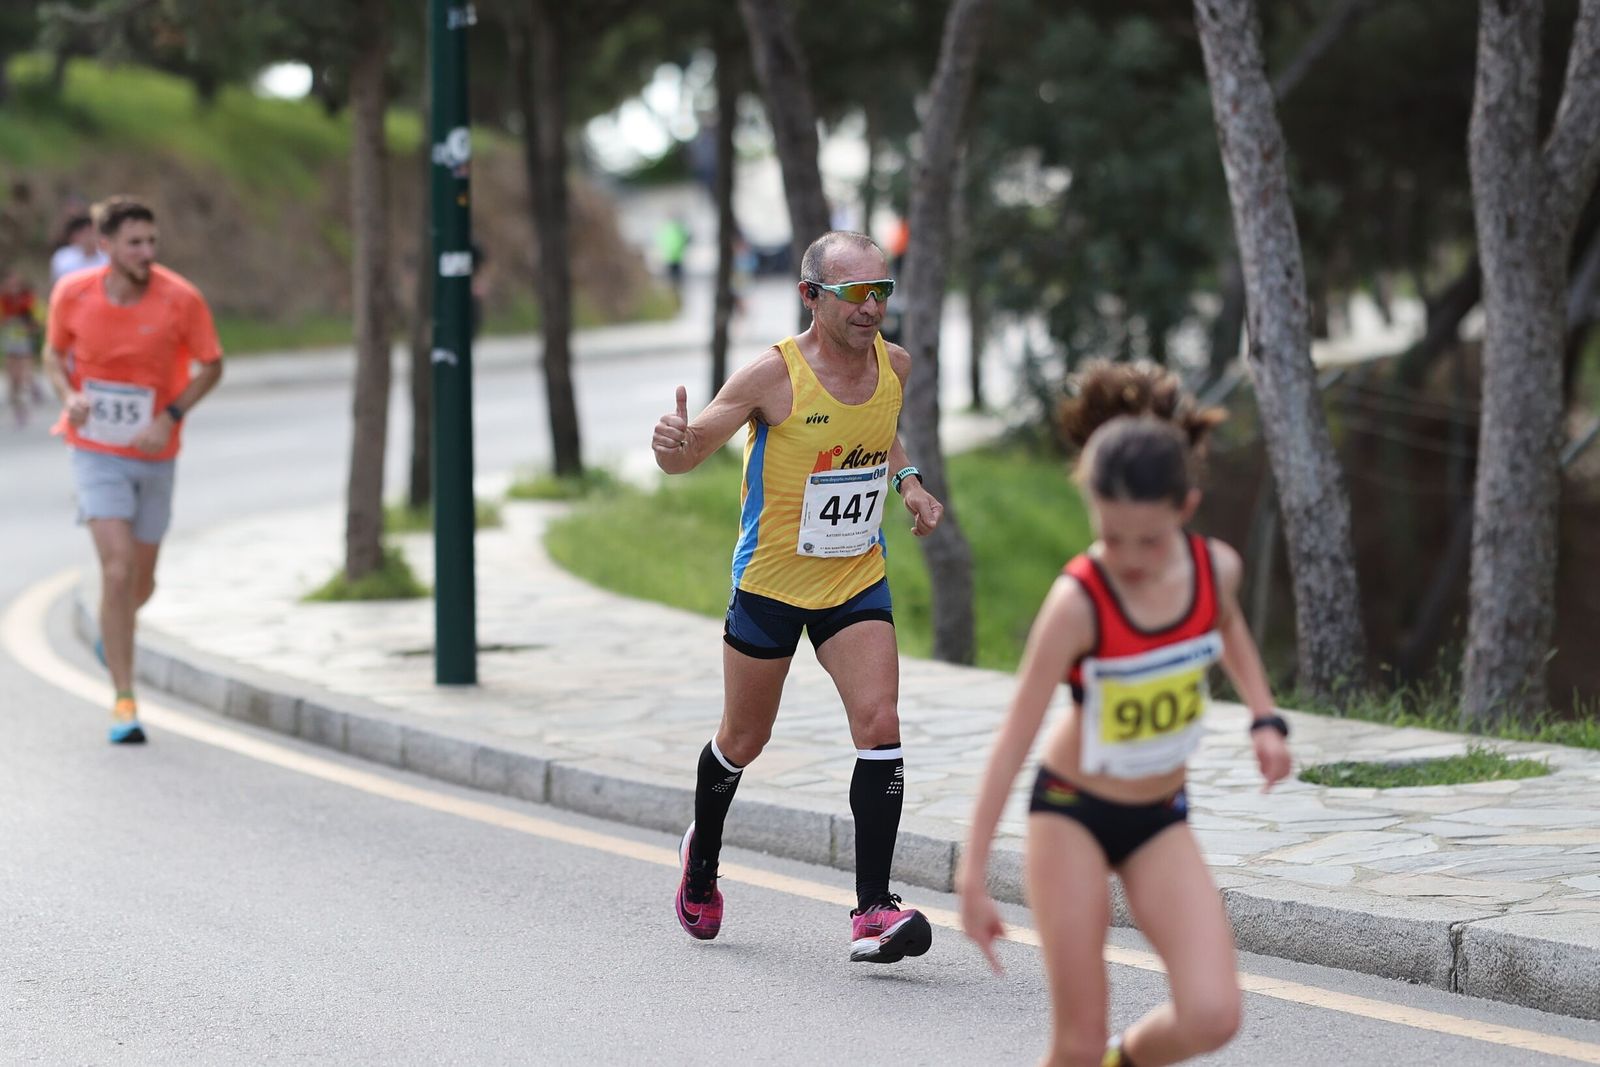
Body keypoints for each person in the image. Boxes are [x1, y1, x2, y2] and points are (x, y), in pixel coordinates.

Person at [956, 361, 1292, 1067]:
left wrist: (1264, 716)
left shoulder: (1214, 569)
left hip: (1158, 815)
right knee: (1075, 1040)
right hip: (1071, 812)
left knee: (1213, 1012)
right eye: (1112, 537)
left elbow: (1226, 625)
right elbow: (1015, 736)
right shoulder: (1078, 601)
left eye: (1149, 540)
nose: (1130, 559)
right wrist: (974, 872)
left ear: (1186, 507)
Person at [651, 230, 945, 963]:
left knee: (880, 721)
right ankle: (703, 856)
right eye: (854, 294)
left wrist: (906, 483)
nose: (872, 309)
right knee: (743, 740)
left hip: (853, 578)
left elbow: (881, 434)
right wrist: (671, 445)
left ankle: (873, 910)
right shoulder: (772, 377)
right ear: (811, 296)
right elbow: (694, 450)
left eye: (883, 291)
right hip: (771, 586)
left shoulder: (894, 366)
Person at [42, 196, 224, 744]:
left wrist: (169, 416)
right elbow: (54, 355)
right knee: (116, 571)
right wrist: (69, 396)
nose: (147, 252)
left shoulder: (180, 299)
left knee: (141, 581)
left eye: (152, 242)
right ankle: (124, 700)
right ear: (106, 248)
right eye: (135, 243)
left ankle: (112, 630)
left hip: (154, 453)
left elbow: (212, 365)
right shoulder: (72, 294)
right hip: (94, 449)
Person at [1, 267, 42, 427]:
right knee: (13, 380)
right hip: (10, 344)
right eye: (9, 283)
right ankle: (18, 409)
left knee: (24, 375)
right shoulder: (3, 300)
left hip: (25, 344)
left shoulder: (28, 299)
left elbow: (38, 321)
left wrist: (29, 326)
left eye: (15, 283)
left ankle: (31, 388)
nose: (12, 286)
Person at [50, 214, 109, 287]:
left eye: (92, 232)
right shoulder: (63, 258)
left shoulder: (107, 259)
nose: (89, 236)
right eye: (85, 232)